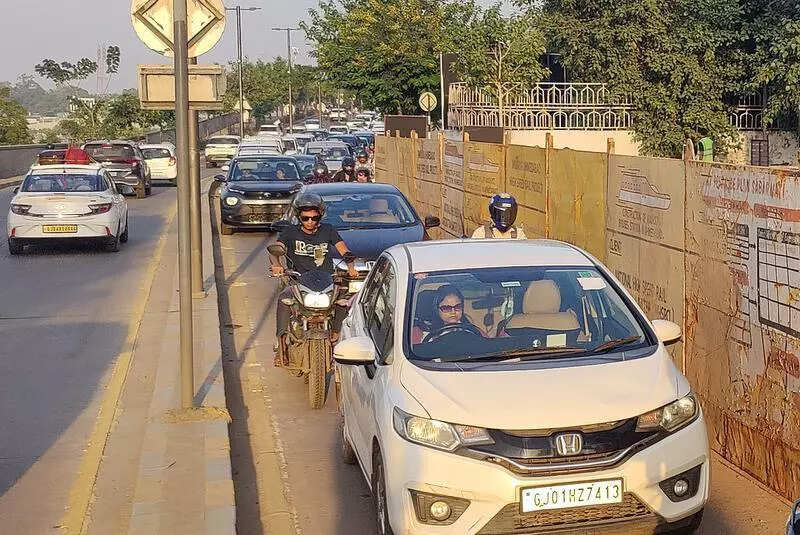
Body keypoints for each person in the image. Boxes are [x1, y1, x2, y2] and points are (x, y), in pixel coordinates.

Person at [270, 193, 358, 364]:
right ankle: (282, 346)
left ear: (320, 216)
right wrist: (277, 264)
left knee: (343, 300)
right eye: (305, 218)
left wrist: (351, 267)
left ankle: (335, 333)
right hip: (299, 279)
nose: (310, 221)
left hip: (325, 279)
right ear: (299, 217)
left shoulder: (328, 230)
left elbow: (343, 250)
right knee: (284, 299)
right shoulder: (290, 232)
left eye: (314, 218)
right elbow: (276, 249)